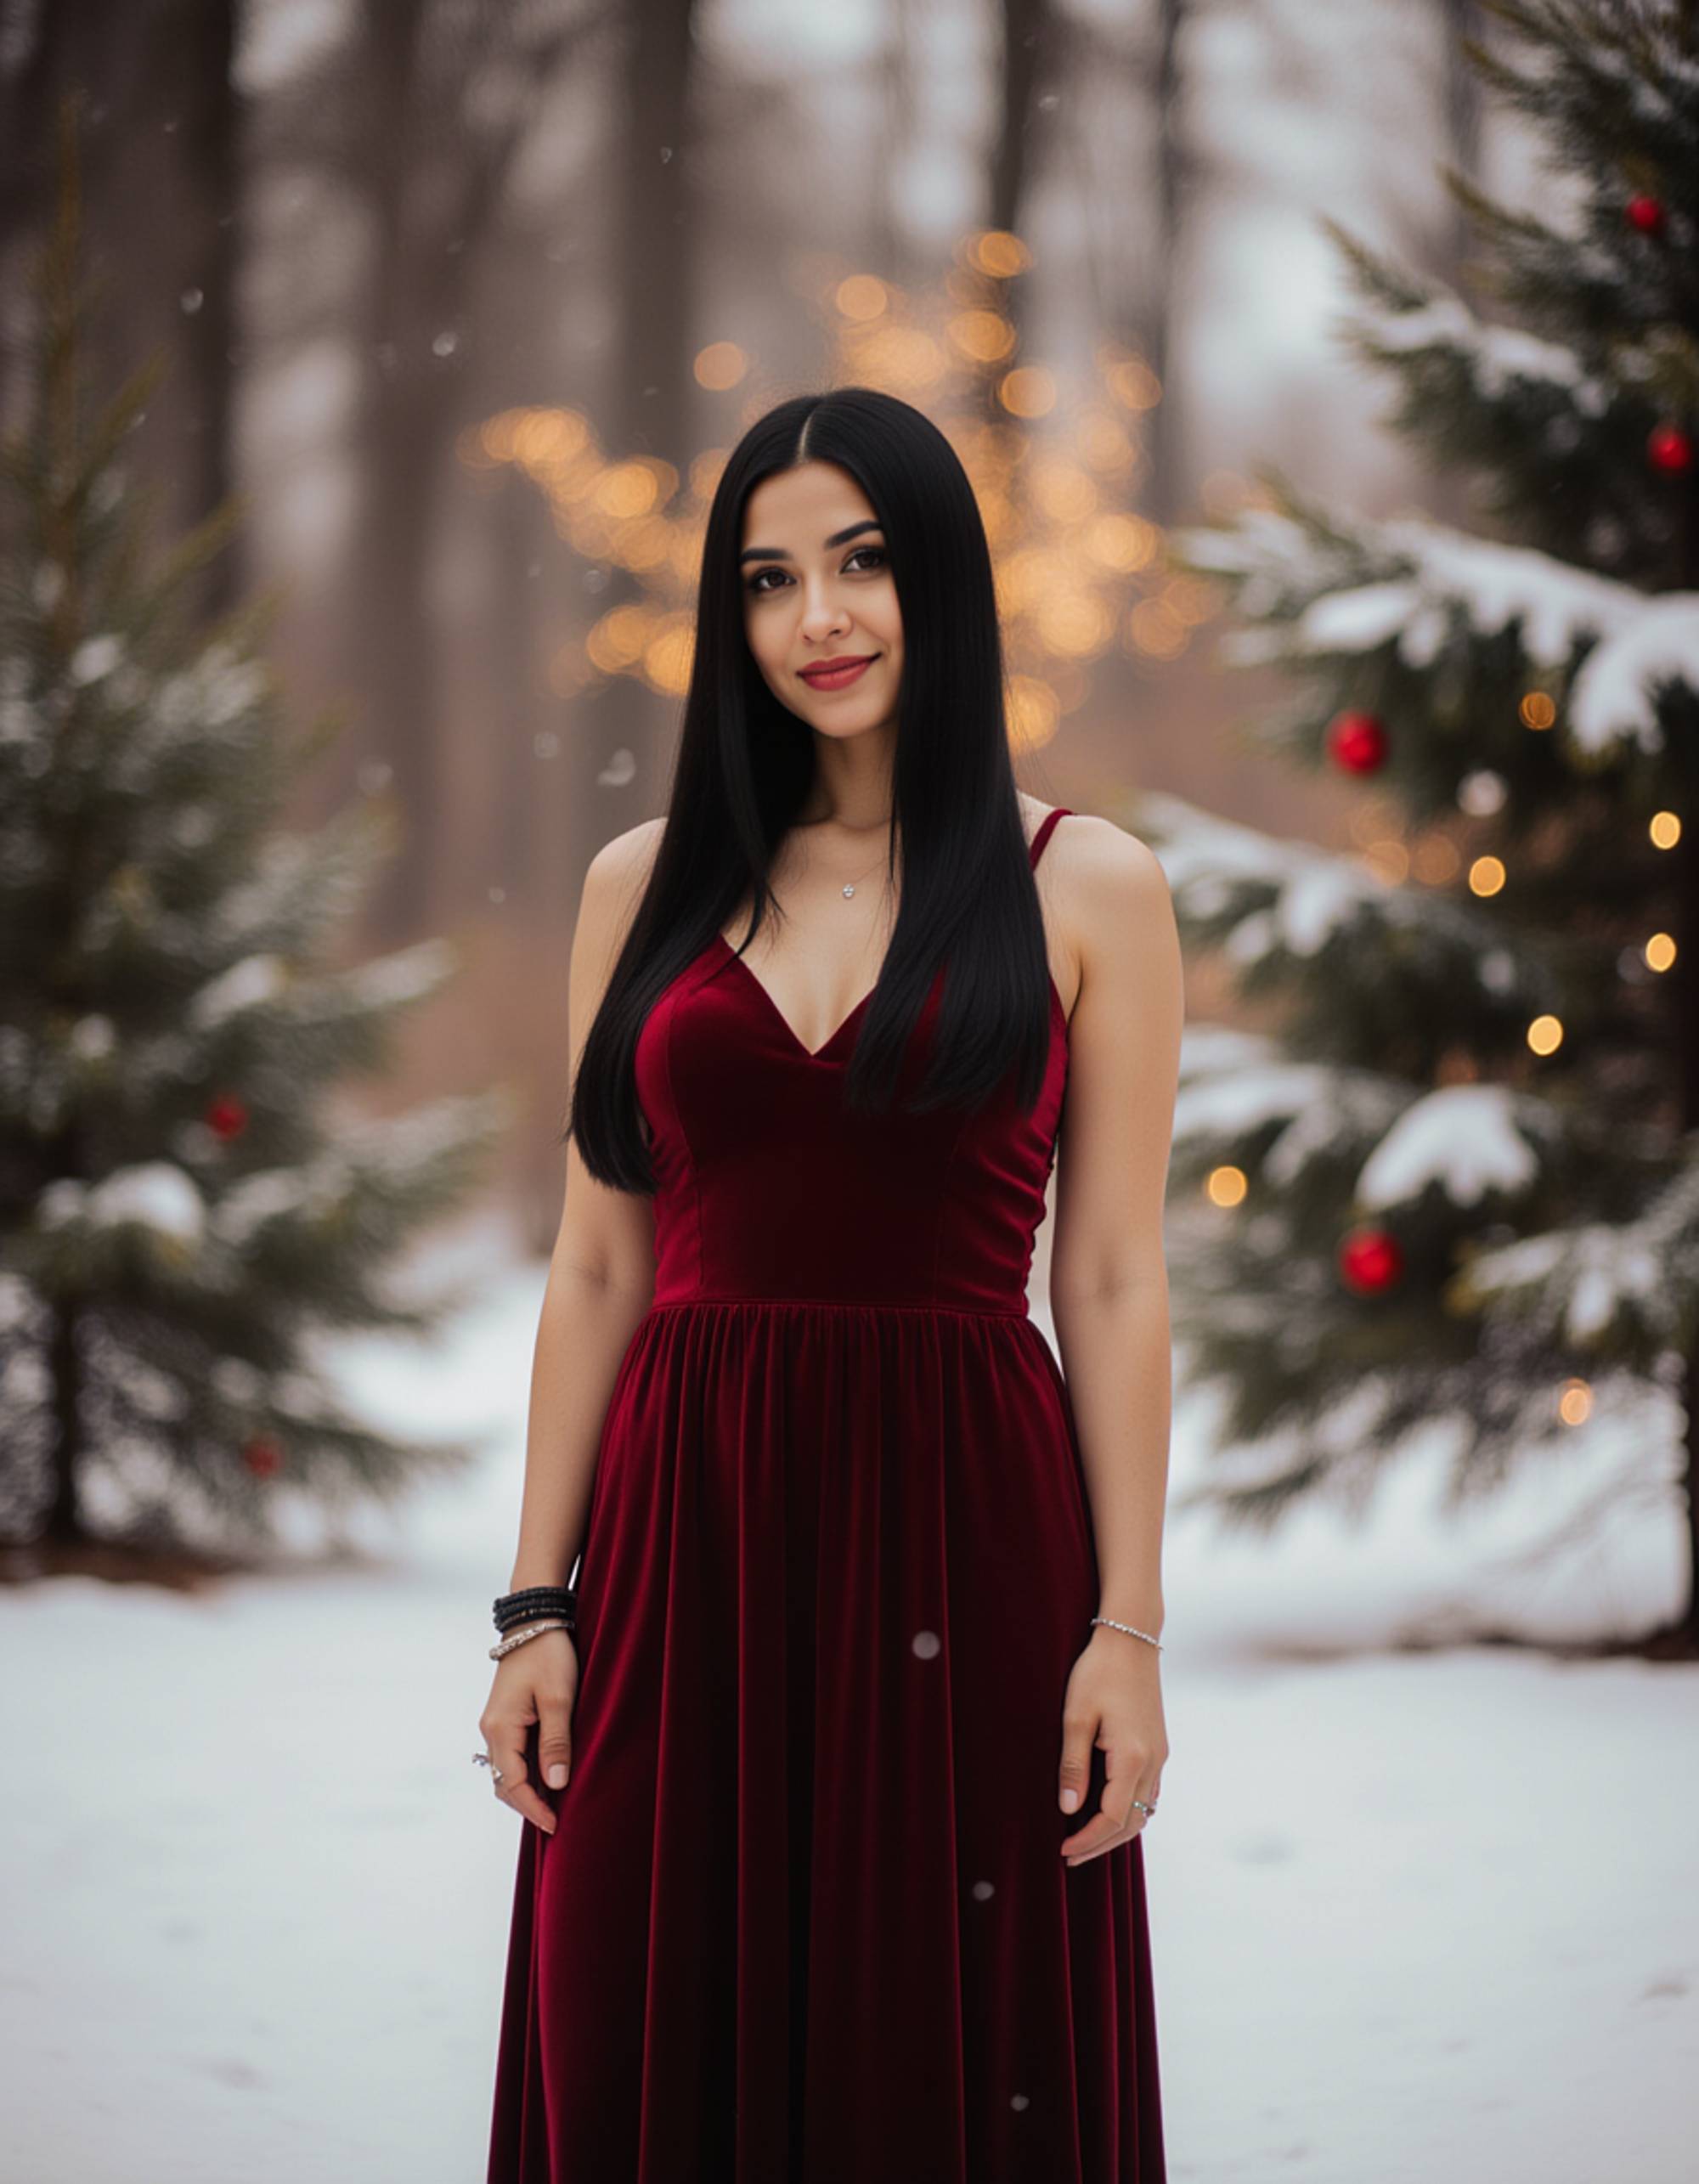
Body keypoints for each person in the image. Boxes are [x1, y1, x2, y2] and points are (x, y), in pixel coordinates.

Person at [480, 384, 1182, 2181]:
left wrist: (1128, 1629)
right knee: (641, 2018)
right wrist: (531, 1602)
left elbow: (1106, 1274)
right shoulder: (639, 885)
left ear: (940, 578)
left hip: (968, 1533)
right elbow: (598, 1254)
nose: (821, 617)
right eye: (771, 576)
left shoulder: (1088, 884)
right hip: (680, 1538)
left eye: (862, 562)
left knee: (938, 2055)